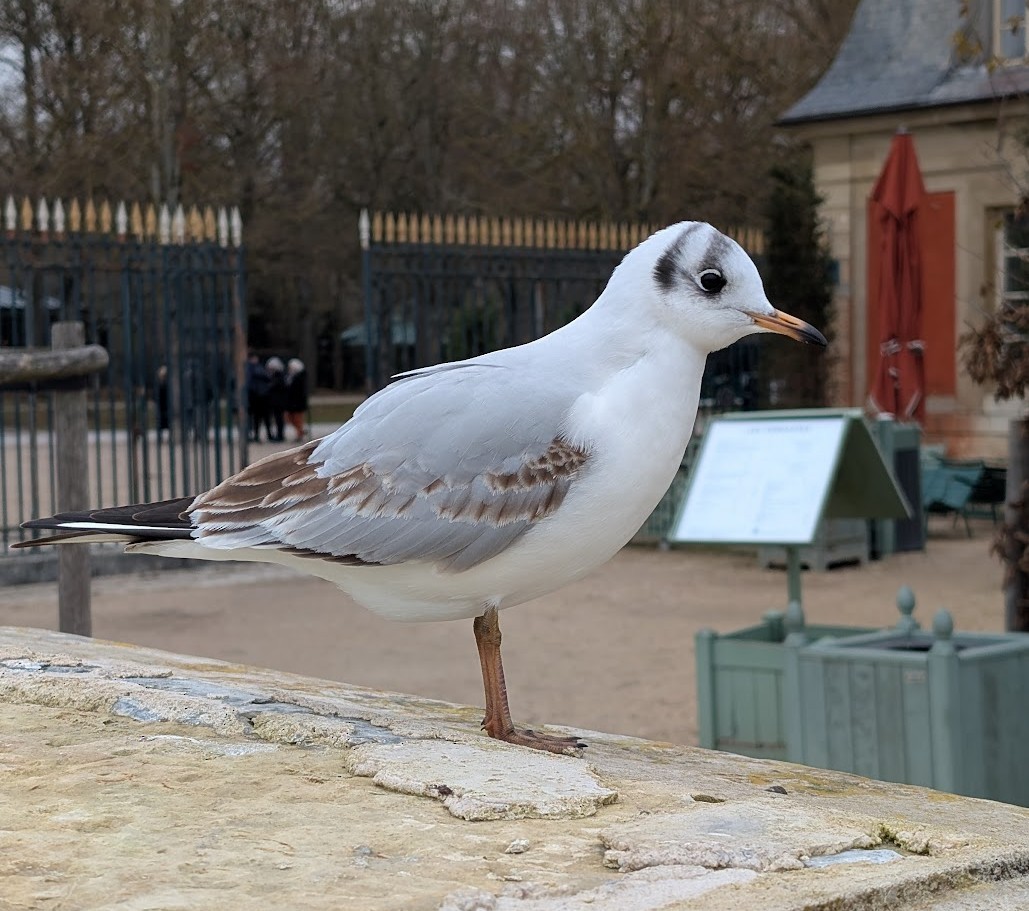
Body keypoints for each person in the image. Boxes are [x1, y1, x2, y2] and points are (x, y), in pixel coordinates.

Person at [245, 351, 271, 442]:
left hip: (256, 396)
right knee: (258, 418)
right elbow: (266, 377)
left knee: (256, 418)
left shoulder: (250, 369)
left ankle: (255, 434)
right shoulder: (255, 368)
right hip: (258, 396)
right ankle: (257, 434)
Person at [285, 357, 308, 442]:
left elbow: (299, 391)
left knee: (298, 419)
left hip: (298, 403)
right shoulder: (290, 377)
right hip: (291, 402)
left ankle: (299, 433)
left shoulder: (300, 378)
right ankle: (300, 431)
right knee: (290, 418)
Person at [265, 356, 287, 442]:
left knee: (279, 419)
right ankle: (279, 434)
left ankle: (280, 435)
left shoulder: (278, 376)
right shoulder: (276, 376)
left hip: (278, 402)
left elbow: (276, 387)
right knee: (278, 419)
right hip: (276, 401)